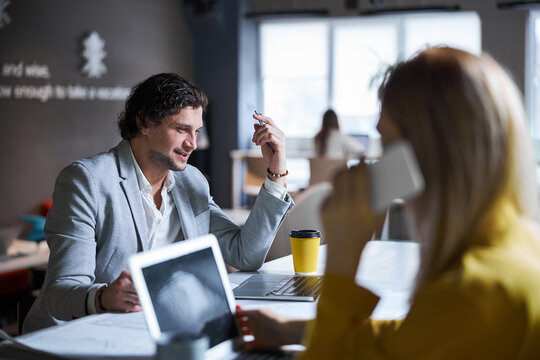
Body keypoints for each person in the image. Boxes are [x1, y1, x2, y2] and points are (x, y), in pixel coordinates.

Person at [236, 47, 540, 358]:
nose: (382, 164)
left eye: (388, 144)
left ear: (425, 155)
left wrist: (342, 256)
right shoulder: (519, 249)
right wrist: (290, 329)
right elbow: (414, 336)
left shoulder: (474, 292)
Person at [23, 73, 294, 333]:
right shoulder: (86, 181)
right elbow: (60, 292)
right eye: (181, 130)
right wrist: (103, 297)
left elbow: (244, 255)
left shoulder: (191, 182)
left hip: (150, 330)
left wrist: (275, 173)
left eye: (197, 131)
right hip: (73, 335)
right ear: (144, 123)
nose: (193, 144)